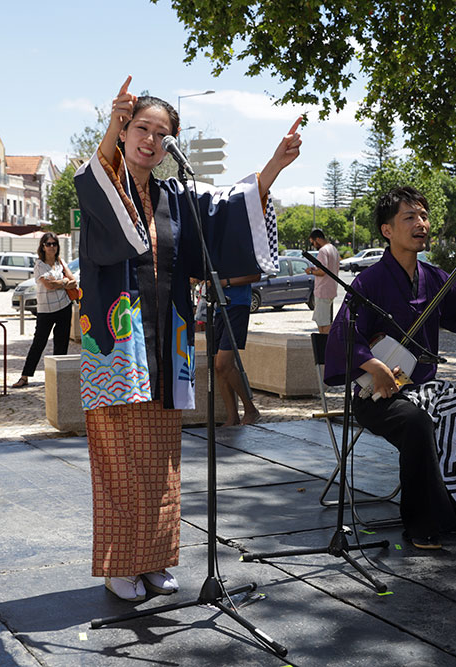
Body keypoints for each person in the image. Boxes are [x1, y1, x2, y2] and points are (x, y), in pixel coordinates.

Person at [74, 76, 300, 601]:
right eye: (140, 128)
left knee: (161, 458)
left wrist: (274, 165)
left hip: (167, 343)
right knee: (118, 462)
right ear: (124, 130)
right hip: (117, 344)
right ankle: (119, 565)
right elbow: (97, 177)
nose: (150, 140)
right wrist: (110, 123)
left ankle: (154, 560)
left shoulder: (176, 197)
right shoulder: (101, 184)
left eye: (162, 133)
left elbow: (227, 213)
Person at [324, 186, 456, 549]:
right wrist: (376, 367)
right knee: (419, 423)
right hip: (379, 395)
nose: (421, 224)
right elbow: (343, 339)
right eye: (410, 217)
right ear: (387, 230)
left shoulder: (434, 277)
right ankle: (421, 525)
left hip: (425, 391)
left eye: (424, 216)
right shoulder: (368, 282)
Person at [10, 232, 75, 388]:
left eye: (54, 244)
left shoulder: (61, 262)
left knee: (61, 343)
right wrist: (64, 282)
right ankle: (25, 376)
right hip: (45, 310)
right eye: (48, 244)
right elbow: (49, 285)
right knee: (38, 343)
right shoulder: (40, 264)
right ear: (43, 247)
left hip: (64, 307)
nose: (51, 247)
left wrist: (60, 282)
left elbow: (73, 281)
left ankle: (57, 377)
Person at [214, 272, 261, 426]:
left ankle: (250, 409)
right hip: (218, 306)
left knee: (223, 363)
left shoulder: (240, 248)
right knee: (218, 366)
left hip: (238, 304)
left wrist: (226, 281)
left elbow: (255, 276)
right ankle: (232, 416)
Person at [305, 228, 339, 333]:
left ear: (318, 239)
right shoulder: (333, 249)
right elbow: (327, 269)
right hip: (331, 289)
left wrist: (310, 272)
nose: (313, 245)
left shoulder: (323, 251)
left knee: (322, 324)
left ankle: (325, 346)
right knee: (327, 320)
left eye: (313, 242)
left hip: (322, 291)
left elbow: (322, 272)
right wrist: (316, 270)